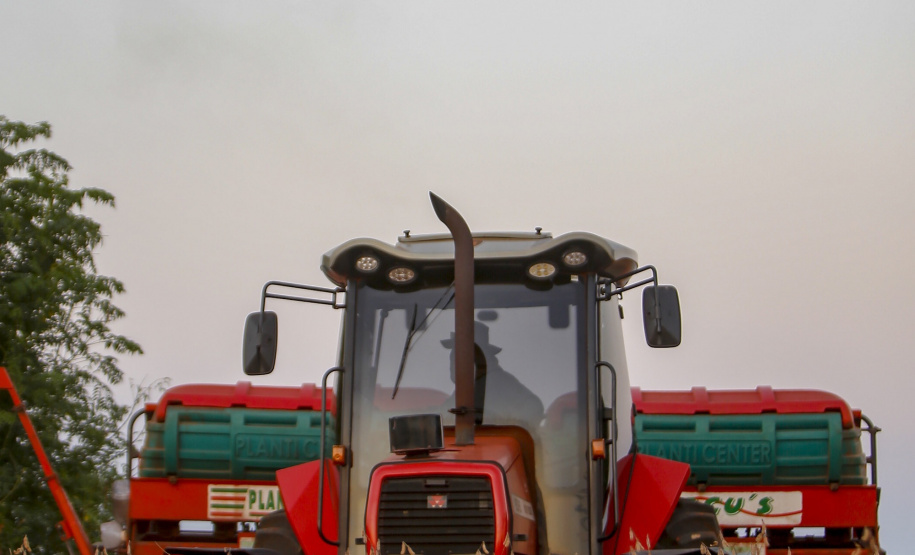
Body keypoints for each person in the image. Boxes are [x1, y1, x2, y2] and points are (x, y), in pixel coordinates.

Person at [441, 321, 545, 429]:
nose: (453, 363)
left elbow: (534, 407)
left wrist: (507, 431)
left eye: (458, 356)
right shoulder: (465, 390)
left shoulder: (501, 382)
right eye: (453, 356)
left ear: (477, 356)